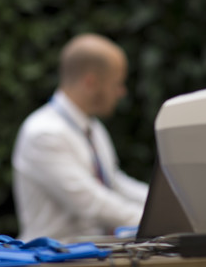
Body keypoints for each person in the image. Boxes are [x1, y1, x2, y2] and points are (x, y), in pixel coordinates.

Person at [11, 33, 148, 241]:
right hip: (53, 258)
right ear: (90, 82)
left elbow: (113, 182)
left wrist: (163, 203)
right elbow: (90, 201)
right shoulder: (42, 133)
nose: (121, 92)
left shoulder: (92, 126)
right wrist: (149, 220)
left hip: (91, 252)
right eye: (116, 83)